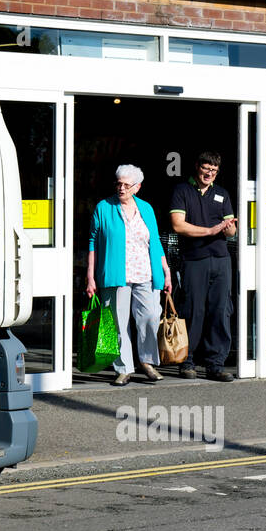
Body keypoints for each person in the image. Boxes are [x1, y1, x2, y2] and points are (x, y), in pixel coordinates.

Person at [86, 164, 172, 386]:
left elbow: (155, 241)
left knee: (151, 317)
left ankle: (147, 362)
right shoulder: (104, 208)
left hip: (146, 272)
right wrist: (90, 275)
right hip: (116, 274)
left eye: (126, 185)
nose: (121, 188)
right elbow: (93, 242)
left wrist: (166, 270)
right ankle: (123, 368)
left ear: (137, 187)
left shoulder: (147, 208)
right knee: (118, 321)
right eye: (118, 183)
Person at [170, 151, 237, 381]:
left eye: (214, 171)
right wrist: (210, 231)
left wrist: (228, 229)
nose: (210, 174)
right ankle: (187, 362)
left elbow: (231, 230)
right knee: (193, 311)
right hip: (194, 259)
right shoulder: (182, 191)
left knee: (220, 311)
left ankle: (215, 364)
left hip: (221, 260)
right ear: (197, 166)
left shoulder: (222, 194)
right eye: (207, 169)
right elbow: (178, 225)